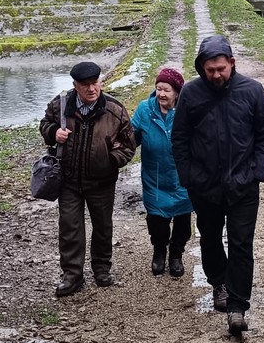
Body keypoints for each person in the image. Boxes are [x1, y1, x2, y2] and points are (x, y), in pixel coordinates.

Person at [171, 33, 264, 338]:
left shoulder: (252, 91)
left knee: (242, 244)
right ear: (202, 67)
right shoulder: (190, 94)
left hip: (244, 185)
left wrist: (257, 172)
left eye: (221, 69)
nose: (216, 75)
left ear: (231, 63)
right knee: (211, 238)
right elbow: (179, 139)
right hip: (204, 186)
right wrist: (188, 177)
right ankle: (218, 283)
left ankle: (238, 306)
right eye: (210, 70)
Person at [39, 60, 137, 297]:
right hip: (69, 181)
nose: (92, 89)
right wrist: (53, 133)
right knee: (69, 228)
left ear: (100, 82)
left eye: (95, 83)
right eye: (85, 85)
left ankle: (102, 270)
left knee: (103, 227)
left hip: (102, 182)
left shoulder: (115, 110)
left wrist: (110, 159)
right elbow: (44, 125)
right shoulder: (60, 105)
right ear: (75, 86)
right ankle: (72, 276)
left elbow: (128, 145)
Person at [131, 67, 193, 277]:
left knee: (183, 224)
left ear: (177, 92)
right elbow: (131, 137)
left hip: (182, 177)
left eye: (166, 90)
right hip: (154, 177)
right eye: (158, 89)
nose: (161, 94)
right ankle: (159, 252)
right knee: (157, 223)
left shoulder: (187, 110)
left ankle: (176, 255)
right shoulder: (144, 110)